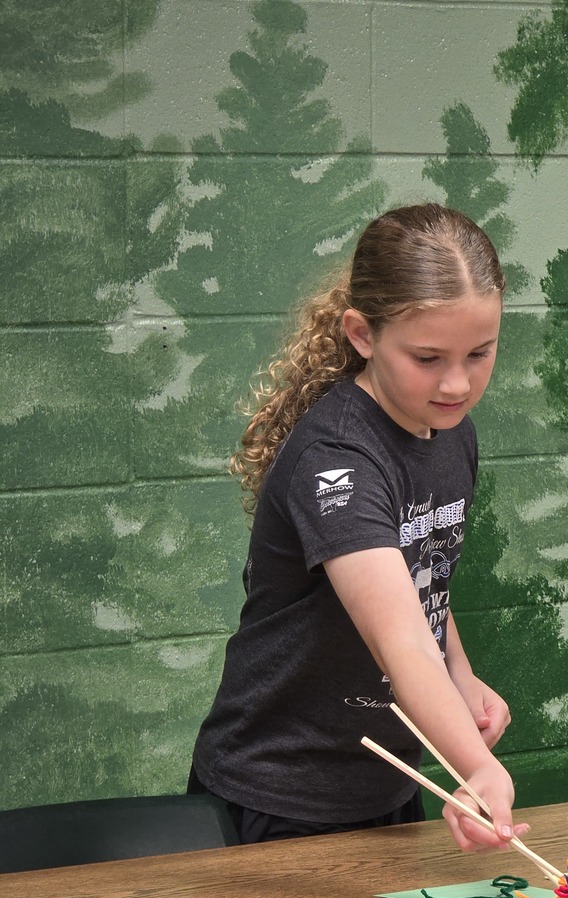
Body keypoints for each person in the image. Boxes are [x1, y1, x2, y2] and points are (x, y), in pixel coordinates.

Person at [188, 203, 528, 851]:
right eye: (428, 357)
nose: (456, 382)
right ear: (362, 335)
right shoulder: (337, 459)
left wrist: (462, 677)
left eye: (480, 353)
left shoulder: (452, 433)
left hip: (386, 786)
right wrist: (477, 766)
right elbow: (398, 636)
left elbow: (422, 579)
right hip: (277, 796)